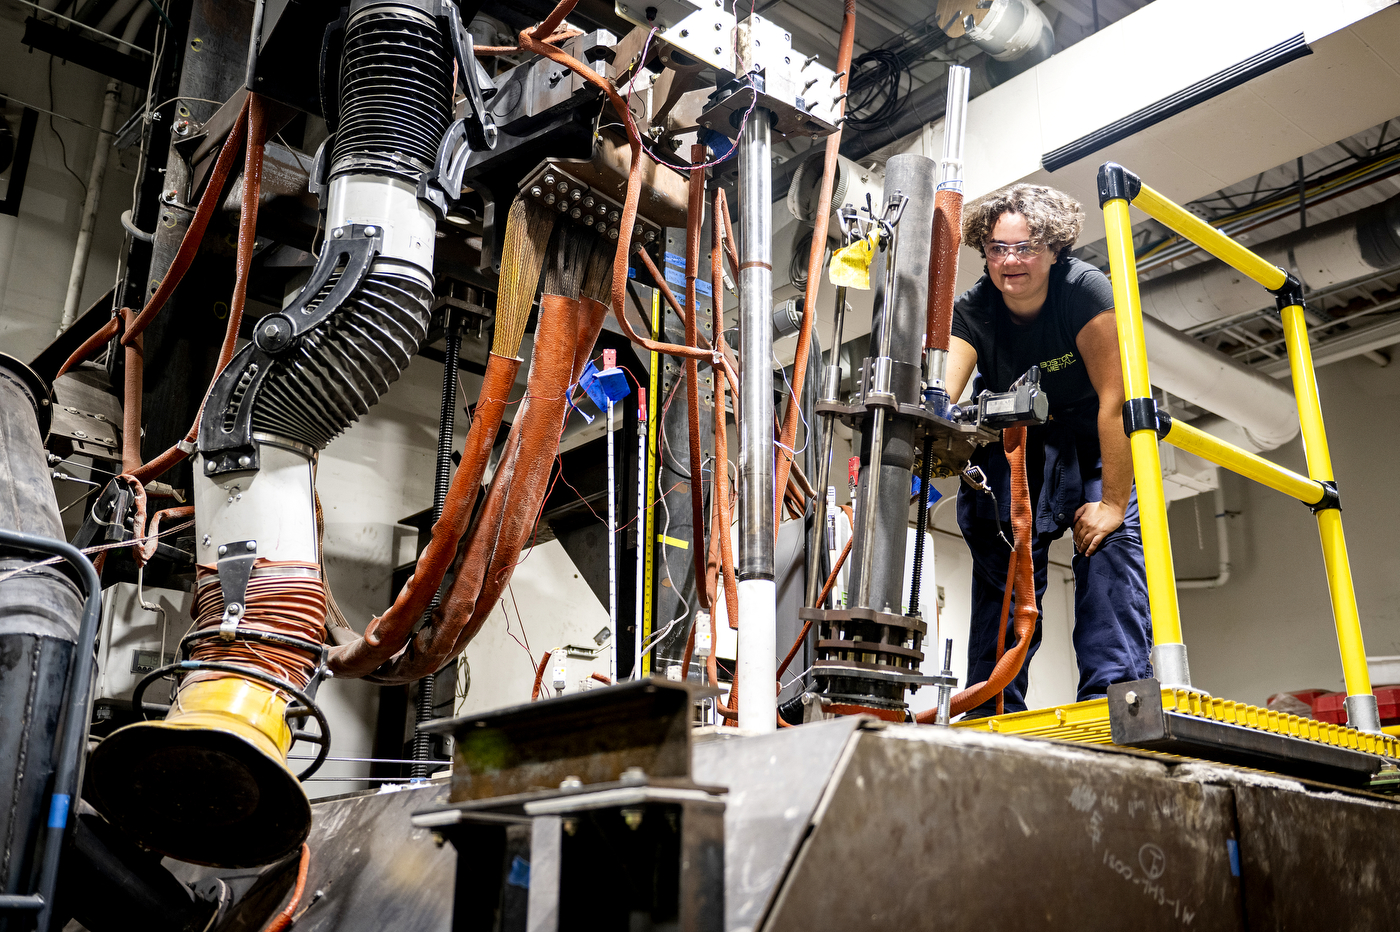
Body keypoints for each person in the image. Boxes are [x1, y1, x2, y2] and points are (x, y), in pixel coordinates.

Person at [945, 183, 1152, 716]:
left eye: (1025, 247)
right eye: (996, 248)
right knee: (1006, 564)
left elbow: (1116, 401)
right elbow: (940, 400)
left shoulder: (1084, 291)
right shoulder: (974, 309)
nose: (1009, 261)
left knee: (1109, 544)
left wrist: (1108, 504)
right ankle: (990, 705)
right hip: (1021, 442)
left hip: (1093, 435)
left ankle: (1115, 700)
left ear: (1055, 248)